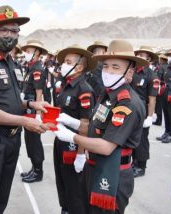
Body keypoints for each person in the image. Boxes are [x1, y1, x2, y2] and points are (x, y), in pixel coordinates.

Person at [0, 5, 51, 214]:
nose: (10, 35)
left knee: (0, 199)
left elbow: (9, 101)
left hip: (11, 140)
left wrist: (31, 105)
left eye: (14, 31)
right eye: (4, 30)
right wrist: (25, 121)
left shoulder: (12, 64)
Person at [53, 40, 147, 214]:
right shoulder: (108, 96)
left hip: (112, 174)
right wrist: (74, 123)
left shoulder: (127, 103)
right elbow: (95, 128)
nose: (108, 72)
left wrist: (72, 136)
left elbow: (106, 146)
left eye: (116, 67)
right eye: (105, 66)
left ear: (130, 73)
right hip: (95, 166)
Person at [52, 44, 96, 214]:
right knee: (62, 181)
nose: (63, 65)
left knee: (74, 188)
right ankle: (65, 208)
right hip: (61, 141)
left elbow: (85, 125)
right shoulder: (67, 85)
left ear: (79, 67)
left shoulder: (84, 90)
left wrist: (80, 154)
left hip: (73, 145)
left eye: (68, 62)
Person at [20, 40, 48, 183]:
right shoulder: (30, 68)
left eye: (30, 51)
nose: (27, 53)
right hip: (27, 107)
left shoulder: (37, 69)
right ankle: (34, 168)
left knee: (34, 141)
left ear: (37, 53)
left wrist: (38, 115)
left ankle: (38, 172)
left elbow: (39, 93)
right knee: (29, 141)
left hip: (32, 109)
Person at [131, 45, 159, 177]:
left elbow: (152, 99)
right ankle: (134, 162)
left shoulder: (151, 75)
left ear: (148, 59)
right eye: (138, 55)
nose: (139, 57)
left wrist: (149, 116)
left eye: (143, 55)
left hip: (143, 112)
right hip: (131, 110)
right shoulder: (133, 71)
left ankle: (141, 166)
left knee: (142, 139)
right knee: (132, 137)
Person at [157, 47, 171, 143]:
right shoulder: (169, 67)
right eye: (170, 55)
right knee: (166, 113)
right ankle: (166, 132)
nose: (170, 57)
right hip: (166, 92)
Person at [153, 54, 168, 125]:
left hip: (160, 87)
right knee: (163, 105)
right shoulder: (168, 67)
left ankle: (158, 121)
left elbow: (158, 78)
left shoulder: (161, 67)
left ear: (162, 60)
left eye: (159, 59)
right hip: (167, 88)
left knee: (158, 105)